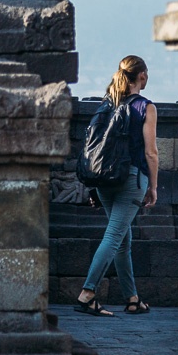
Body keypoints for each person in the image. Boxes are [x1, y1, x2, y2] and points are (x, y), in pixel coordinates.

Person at [75, 55, 159, 316]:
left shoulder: (107, 105)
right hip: (130, 180)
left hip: (104, 180)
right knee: (114, 236)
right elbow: (152, 153)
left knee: (122, 239)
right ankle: (88, 293)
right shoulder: (145, 107)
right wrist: (153, 186)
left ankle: (132, 298)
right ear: (142, 76)